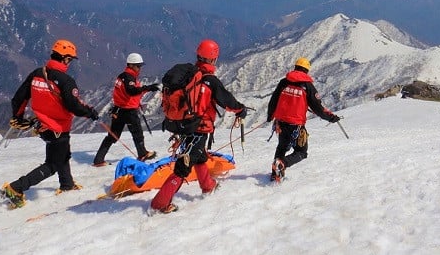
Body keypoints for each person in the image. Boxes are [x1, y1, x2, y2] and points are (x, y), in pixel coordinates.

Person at [150, 39, 247, 214]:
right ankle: (160, 203)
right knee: (184, 166)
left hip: (184, 126)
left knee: (199, 156)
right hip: (199, 129)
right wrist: (240, 110)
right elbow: (227, 101)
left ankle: (208, 186)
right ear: (213, 59)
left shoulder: (190, 77)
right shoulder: (210, 81)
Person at [0, 39, 100, 208]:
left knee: (61, 153)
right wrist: (90, 112)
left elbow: (19, 98)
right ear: (66, 58)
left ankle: (67, 184)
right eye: (70, 59)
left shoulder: (38, 73)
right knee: (53, 164)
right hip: (57, 126)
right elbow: (73, 105)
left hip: (41, 125)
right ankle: (16, 188)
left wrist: (18, 117)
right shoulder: (66, 81)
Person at [267, 57, 340, 182]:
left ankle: (275, 174)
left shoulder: (284, 82)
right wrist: (331, 117)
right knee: (301, 152)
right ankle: (282, 163)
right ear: (306, 71)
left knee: (282, 147)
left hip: (281, 122)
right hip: (296, 125)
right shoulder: (308, 86)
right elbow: (318, 108)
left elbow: (274, 100)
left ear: (295, 67)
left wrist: (270, 116)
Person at [93, 52, 159, 166]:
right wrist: (147, 88)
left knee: (113, 135)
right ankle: (142, 153)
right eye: (138, 66)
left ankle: (98, 159)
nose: (139, 69)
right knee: (137, 132)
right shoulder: (129, 78)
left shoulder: (122, 76)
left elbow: (123, 93)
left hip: (118, 110)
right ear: (131, 65)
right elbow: (131, 91)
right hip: (129, 111)